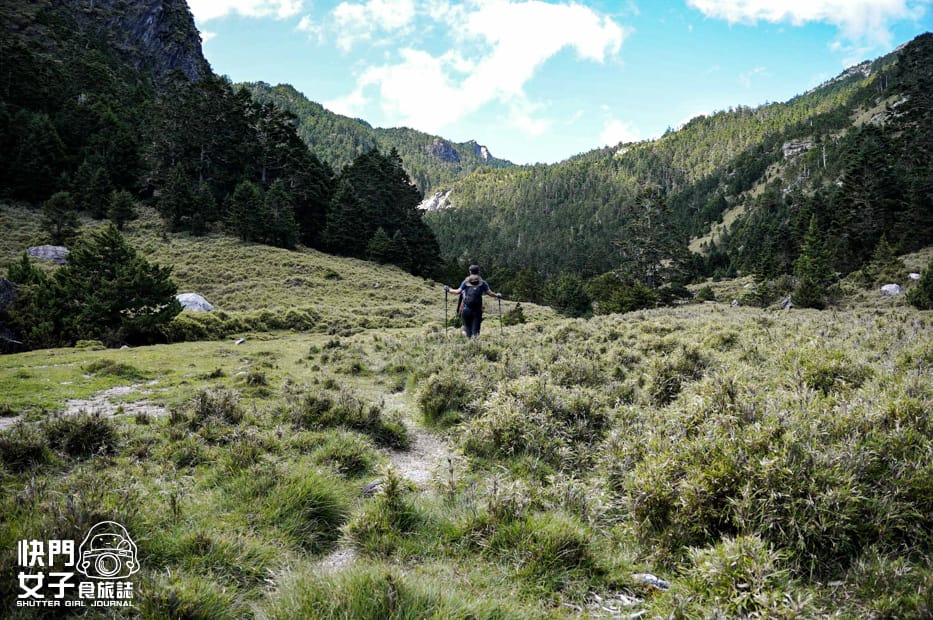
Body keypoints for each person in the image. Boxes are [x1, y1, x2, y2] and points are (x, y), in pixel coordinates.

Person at [443, 264, 501, 338]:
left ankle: (468, 344)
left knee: (468, 330)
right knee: (476, 331)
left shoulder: (465, 282)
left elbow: (458, 291)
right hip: (477, 311)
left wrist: (448, 289)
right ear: (479, 272)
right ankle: (475, 345)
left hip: (466, 310)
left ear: (470, 272)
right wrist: (497, 295)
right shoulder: (483, 283)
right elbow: (490, 293)